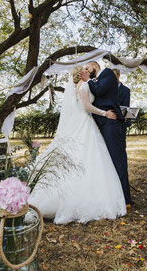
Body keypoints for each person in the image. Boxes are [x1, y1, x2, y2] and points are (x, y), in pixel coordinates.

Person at [28, 66, 126, 223]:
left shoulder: (72, 87)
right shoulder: (85, 85)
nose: (88, 71)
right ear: (82, 74)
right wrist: (104, 113)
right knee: (89, 158)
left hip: (75, 125)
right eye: (85, 70)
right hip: (85, 124)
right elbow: (86, 107)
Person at [80, 61, 133, 208]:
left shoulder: (108, 73)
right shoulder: (95, 81)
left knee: (118, 159)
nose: (86, 70)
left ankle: (126, 199)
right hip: (100, 124)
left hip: (111, 124)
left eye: (88, 67)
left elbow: (100, 90)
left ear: (95, 66)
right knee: (106, 162)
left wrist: (88, 80)